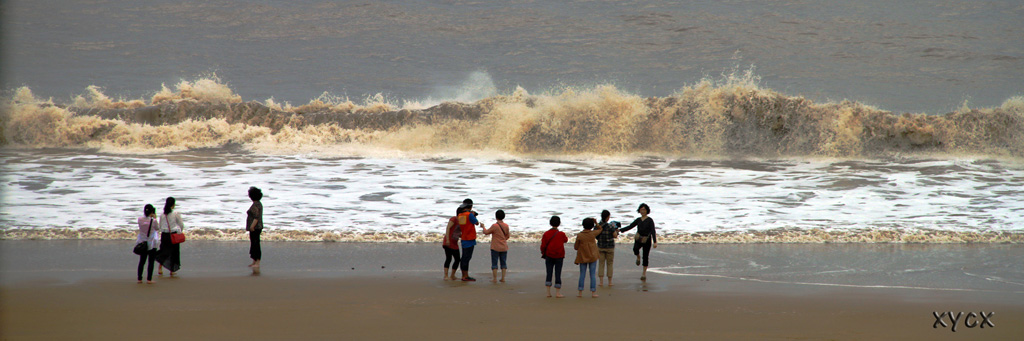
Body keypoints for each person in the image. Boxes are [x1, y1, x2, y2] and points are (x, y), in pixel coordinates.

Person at [619, 203, 657, 281]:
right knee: (635, 249)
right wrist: (620, 230)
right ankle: (638, 257)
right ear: (639, 210)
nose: (642, 211)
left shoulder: (650, 220)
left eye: (644, 209)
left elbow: (653, 231)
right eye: (641, 209)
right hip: (639, 238)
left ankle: (644, 274)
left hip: (647, 240)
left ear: (647, 211)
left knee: (645, 256)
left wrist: (655, 241)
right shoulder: (638, 220)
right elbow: (630, 226)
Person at [540, 215, 568, 298]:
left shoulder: (546, 234)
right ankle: (557, 293)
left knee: (549, 272)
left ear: (550, 223)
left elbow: (543, 245)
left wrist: (543, 253)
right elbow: (566, 240)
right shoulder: (561, 234)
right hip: (559, 255)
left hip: (549, 255)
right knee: (558, 273)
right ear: (559, 224)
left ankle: (548, 292)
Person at [574, 217, 602, 298]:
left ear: (583, 225)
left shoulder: (579, 235)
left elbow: (576, 247)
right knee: (592, 274)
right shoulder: (593, 234)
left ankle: (580, 292)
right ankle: (593, 292)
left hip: (583, 257)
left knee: (582, 274)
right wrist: (596, 222)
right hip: (593, 256)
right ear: (592, 226)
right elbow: (600, 229)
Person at [156, 197, 185, 276]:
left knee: (164, 251)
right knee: (174, 253)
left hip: (164, 235)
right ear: (173, 204)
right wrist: (180, 231)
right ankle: (172, 270)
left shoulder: (162, 214)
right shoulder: (176, 213)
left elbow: (160, 226)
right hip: (173, 235)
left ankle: (160, 268)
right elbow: (181, 224)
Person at [457, 199, 483, 282]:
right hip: (470, 238)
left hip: (464, 238)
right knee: (467, 257)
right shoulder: (469, 215)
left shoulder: (460, 215)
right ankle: (465, 276)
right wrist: (474, 215)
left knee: (464, 257)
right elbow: (476, 223)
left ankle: (464, 275)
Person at [482, 209, 510, 283]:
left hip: (495, 246)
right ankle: (503, 278)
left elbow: (486, 232)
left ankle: (494, 279)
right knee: (503, 262)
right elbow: (507, 236)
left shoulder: (495, 226)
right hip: (504, 246)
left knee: (494, 263)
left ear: (496, 217)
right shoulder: (506, 226)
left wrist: (483, 227)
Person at [136, 204, 160, 284]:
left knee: (142, 261)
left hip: (142, 242)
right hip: (151, 243)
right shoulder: (154, 221)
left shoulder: (139, 219)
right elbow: (157, 228)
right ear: (152, 212)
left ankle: (139, 278)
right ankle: (149, 279)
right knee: (151, 261)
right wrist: (155, 218)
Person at [596, 210, 621, 286]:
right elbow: (615, 236)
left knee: (601, 263)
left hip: (600, 246)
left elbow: (595, 235)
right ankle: (610, 282)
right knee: (609, 264)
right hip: (609, 247)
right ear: (607, 217)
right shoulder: (610, 226)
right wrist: (616, 231)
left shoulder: (598, 226)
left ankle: (601, 282)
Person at [441, 207, 462, 280]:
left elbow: (458, 232)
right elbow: (448, 228)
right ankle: (446, 276)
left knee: (457, 259)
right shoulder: (454, 219)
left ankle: (452, 275)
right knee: (448, 258)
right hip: (448, 241)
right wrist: (447, 240)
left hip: (454, 243)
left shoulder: (462, 221)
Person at [246, 187, 264, 268]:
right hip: (256, 227)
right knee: (253, 244)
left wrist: (252, 226)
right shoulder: (258, 204)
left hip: (256, 227)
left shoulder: (256, 205)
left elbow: (256, 217)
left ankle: (257, 262)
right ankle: (254, 261)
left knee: (256, 244)